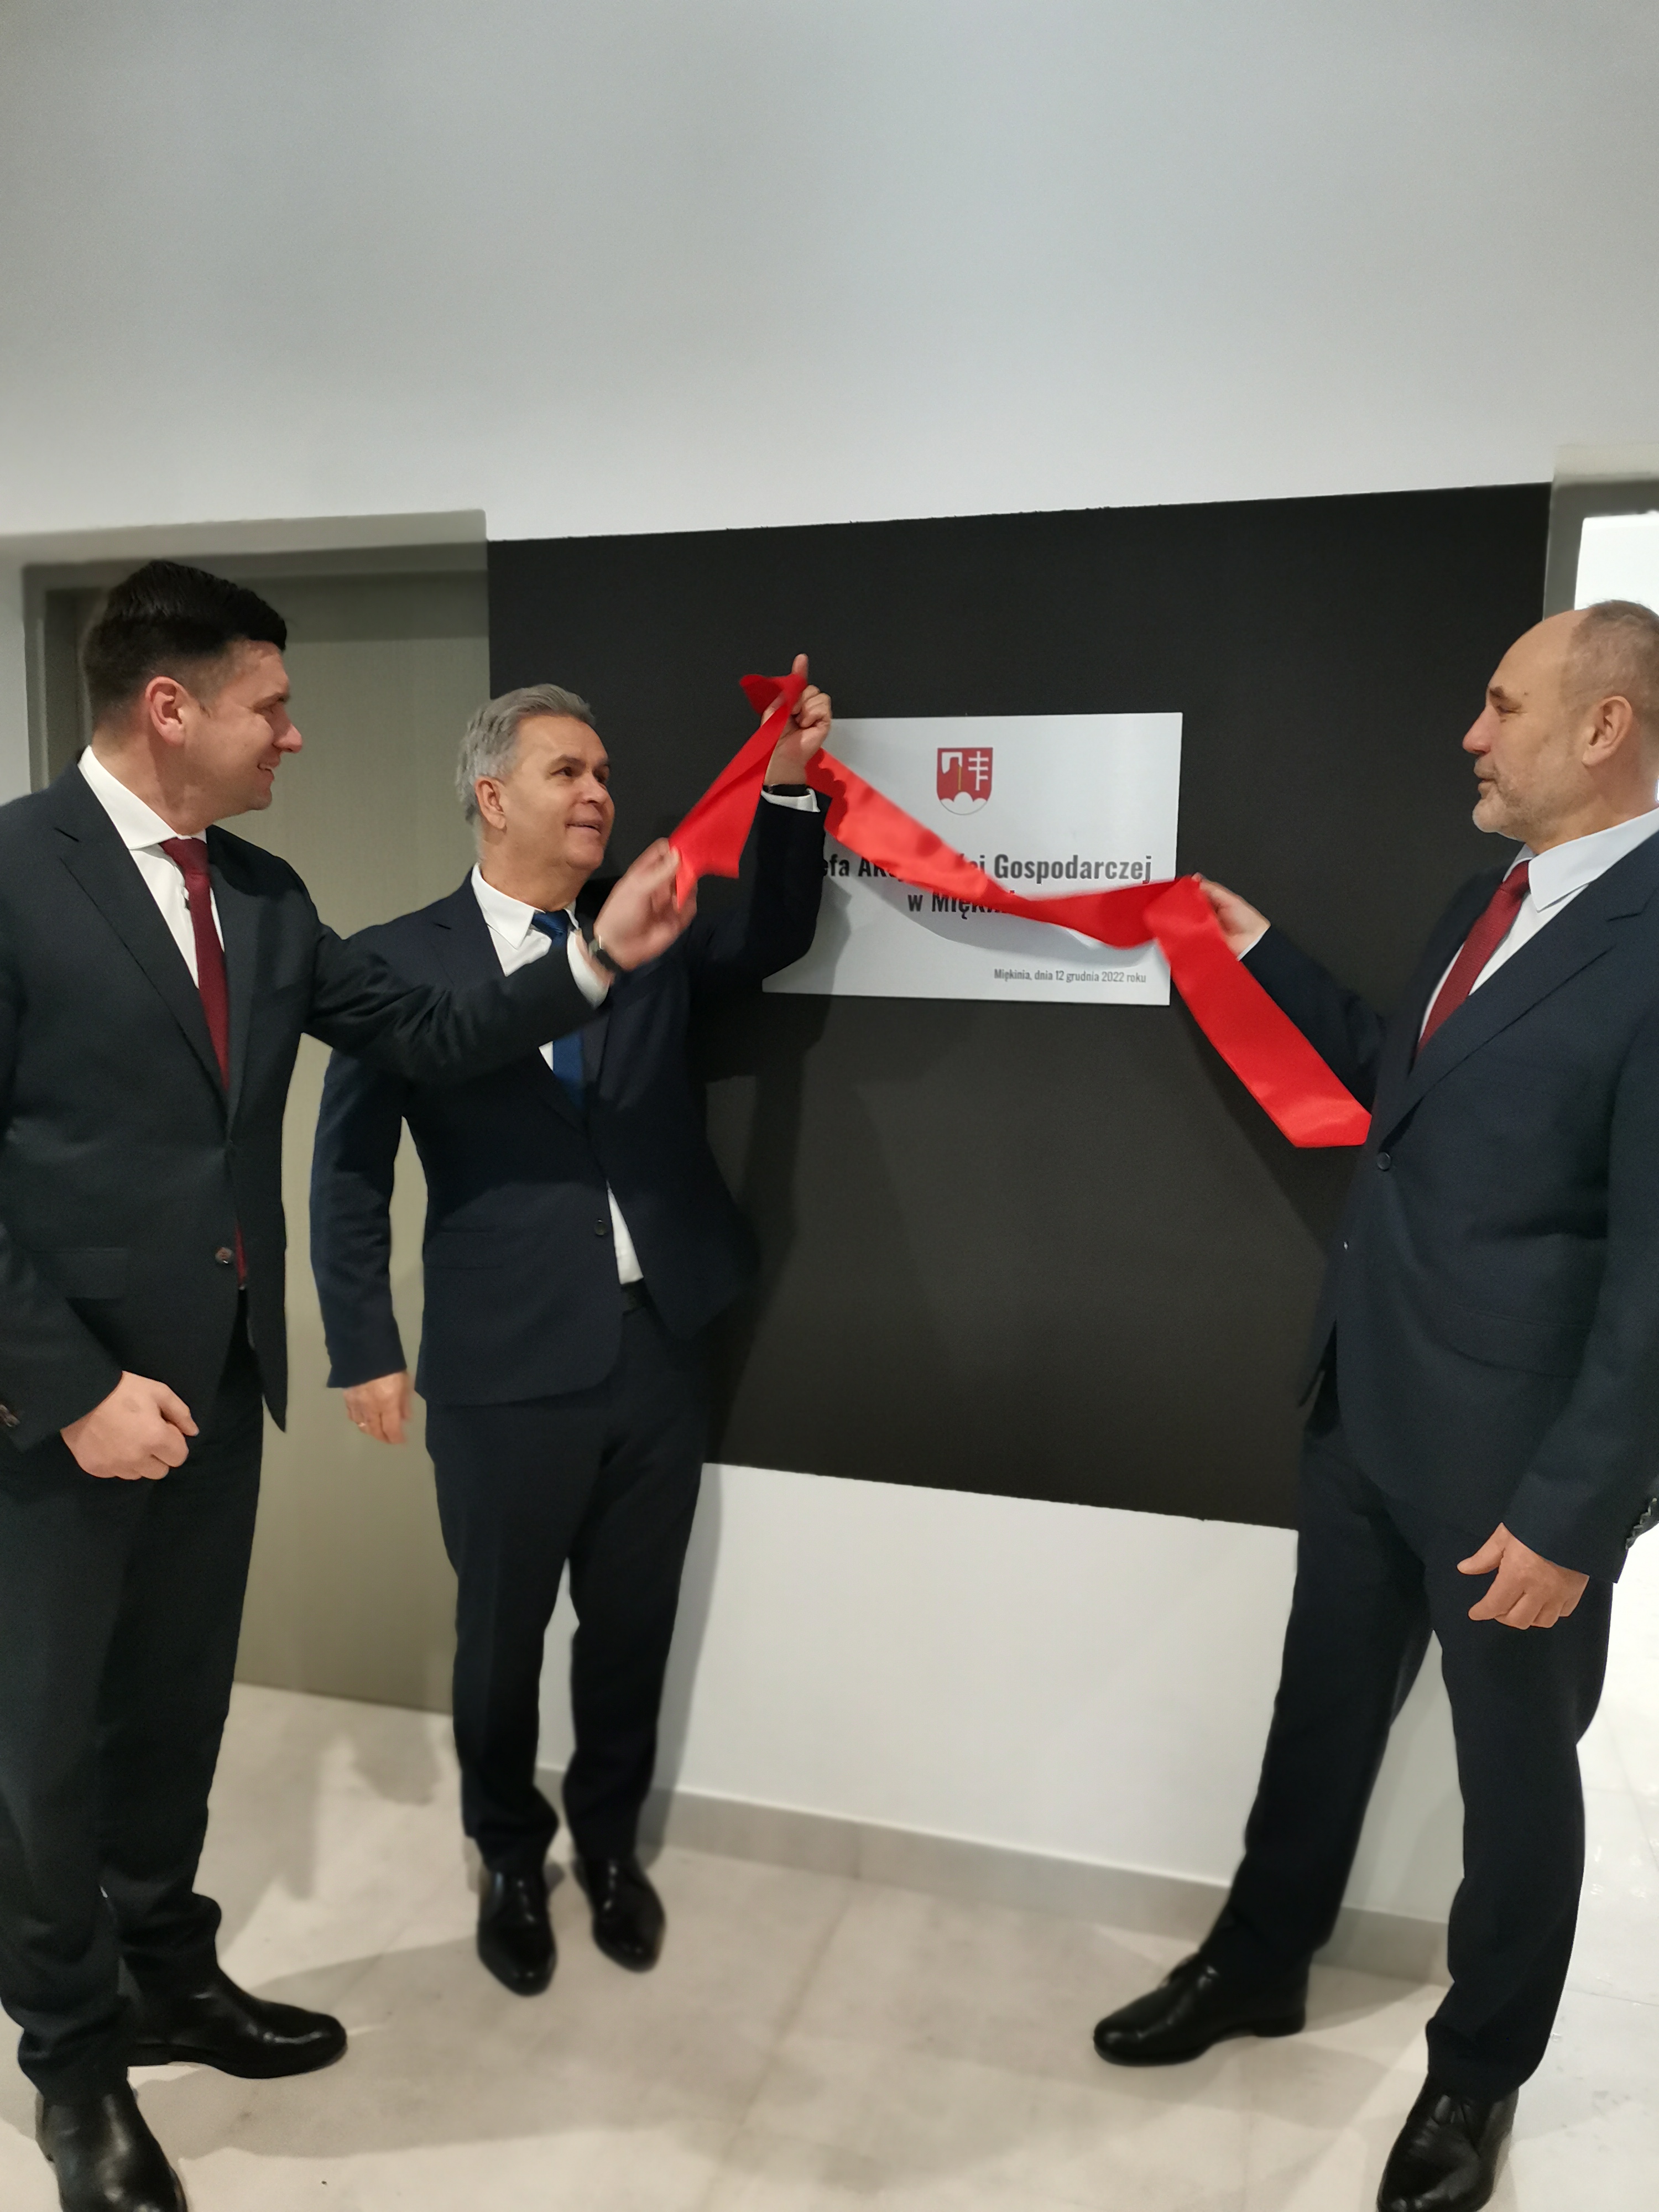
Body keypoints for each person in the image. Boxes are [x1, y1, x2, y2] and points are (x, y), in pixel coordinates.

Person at [0, 561, 697, 2212]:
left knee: (175, 1713)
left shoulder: (264, 896)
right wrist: (72, 1386)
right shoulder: (13, 873)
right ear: (169, 707)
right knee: (44, 1749)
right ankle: (74, 2064)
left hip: (216, 1393)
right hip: (55, 1412)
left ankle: (170, 1971)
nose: (292, 735)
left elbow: (431, 1033)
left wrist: (593, 963)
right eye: (270, 706)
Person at [1093, 599, 1659, 2212]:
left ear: (1605, 726)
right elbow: (1398, 1095)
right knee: (1320, 1713)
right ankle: (1260, 1960)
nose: (1472, 734)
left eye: (1503, 705)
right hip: (1367, 1407)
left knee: (1517, 1787)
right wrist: (1261, 953)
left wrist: (1578, 1510)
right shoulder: (1489, 902)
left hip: (1518, 1475)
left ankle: (1478, 2076)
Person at [307, 666, 829, 1996]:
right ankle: (504, 1853)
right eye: (569, 772)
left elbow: (771, 933)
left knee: (631, 1624)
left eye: (605, 774)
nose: (599, 792)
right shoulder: (396, 962)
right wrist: (364, 1341)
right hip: (501, 1364)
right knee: (500, 1637)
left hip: (660, 1344)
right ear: (492, 797)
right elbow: (349, 1171)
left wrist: (786, 787)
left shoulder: (646, 923)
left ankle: (606, 1843)